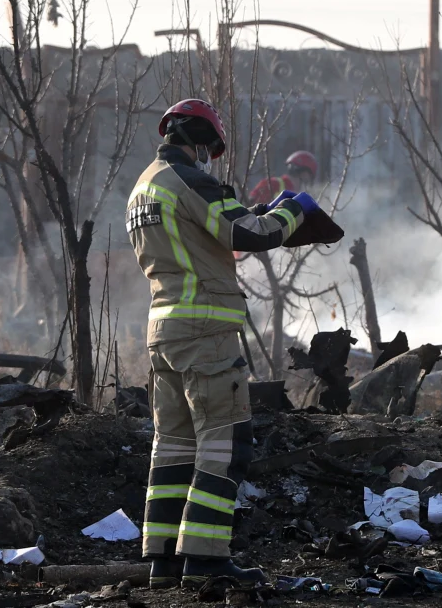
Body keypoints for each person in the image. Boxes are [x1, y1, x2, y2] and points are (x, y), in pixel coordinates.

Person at [126, 98, 319, 590]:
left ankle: (164, 561)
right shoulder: (189, 178)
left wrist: (251, 210)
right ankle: (207, 560)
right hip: (205, 332)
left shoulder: (144, 186)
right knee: (226, 443)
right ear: (199, 140)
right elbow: (245, 232)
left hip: (164, 331)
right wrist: (296, 212)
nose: (210, 157)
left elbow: (203, 234)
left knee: (173, 446)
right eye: (210, 148)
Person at [247, 150, 318, 205]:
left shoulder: (299, 196)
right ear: (302, 171)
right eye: (308, 174)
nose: (308, 178)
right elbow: (251, 204)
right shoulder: (273, 184)